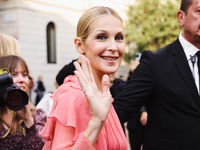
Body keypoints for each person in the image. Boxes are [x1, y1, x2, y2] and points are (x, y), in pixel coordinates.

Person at [74, 0, 200, 149]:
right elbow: (119, 111)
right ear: (181, 17)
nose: (112, 45)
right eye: (199, 11)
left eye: (119, 38)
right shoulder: (155, 62)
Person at [40, 6, 128, 149]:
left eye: (119, 37)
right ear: (80, 45)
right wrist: (96, 121)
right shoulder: (73, 95)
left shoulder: (102, 93)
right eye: (102, 37)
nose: (113, 47)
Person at [0, 55, 47, 149]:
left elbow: (42, 147)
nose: (21, 80)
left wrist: (28, 121)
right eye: (13, 74)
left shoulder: (38, 115)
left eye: (25, 75)